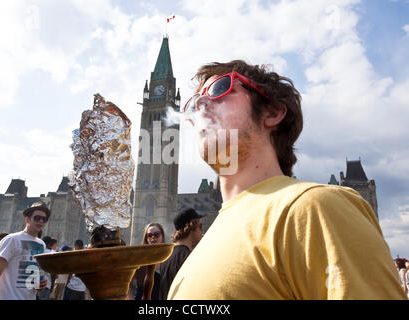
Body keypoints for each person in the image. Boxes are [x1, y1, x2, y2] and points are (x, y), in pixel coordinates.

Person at [168, 60, 406, 300]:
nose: (200, 103)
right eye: (193, 103)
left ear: (272, 112)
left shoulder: (315, 207)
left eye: (219, 89)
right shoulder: (205, 241)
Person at [0, 202, 50, 300]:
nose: (41, 221)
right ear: (27, 219)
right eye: (37, 218)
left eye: (44, 219)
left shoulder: (41, 244)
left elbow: (32, 276)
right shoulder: (12, 239)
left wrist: (39, 285)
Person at [159, 208, 204, 300]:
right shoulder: (189, 257)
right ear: (192, 227)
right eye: (200, 226)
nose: (201, 231)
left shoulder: (166, 255)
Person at [129, 222, 165, 300]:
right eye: (149, 235)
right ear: (146, 238)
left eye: (156, 234)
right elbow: (127, 284)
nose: (153, 237)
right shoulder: (139, 259)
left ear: (162, 236)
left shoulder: (168, 257)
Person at [36, 236, 55, 300]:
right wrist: (52, 285)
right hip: (46, 285)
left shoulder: (38, 251)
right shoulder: (52, 254)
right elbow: (53, 273)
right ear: (50, 244)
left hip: (35, 283)